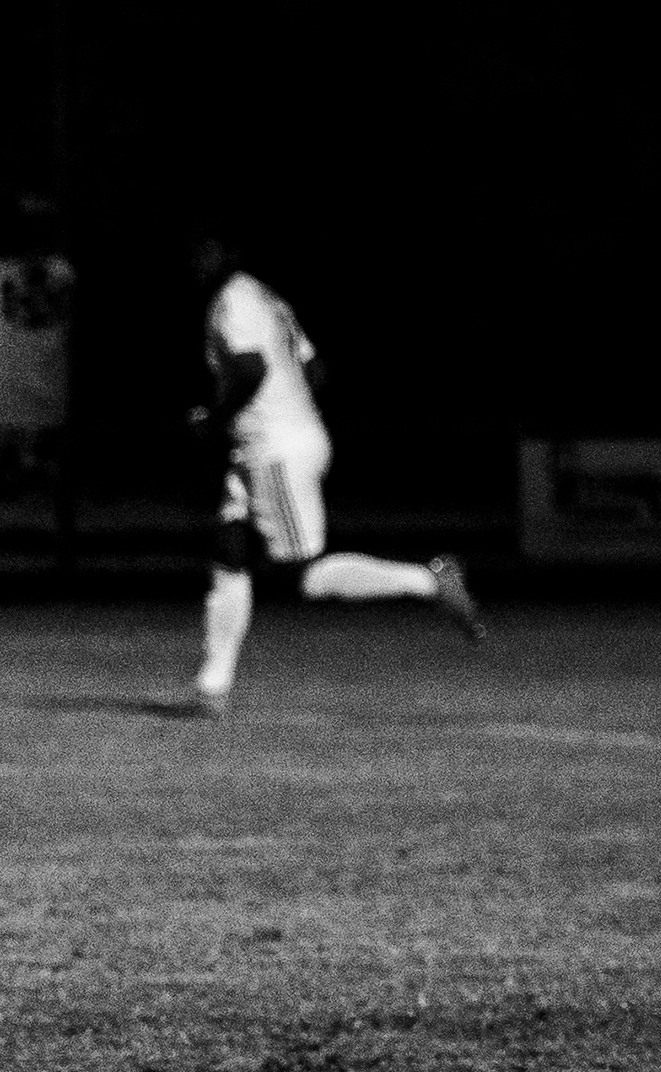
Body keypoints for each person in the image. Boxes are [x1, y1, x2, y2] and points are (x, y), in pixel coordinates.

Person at [184, 234, 485, 716]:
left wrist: (216, 419)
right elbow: (316, 369)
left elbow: (250, 367)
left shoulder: (233, 298)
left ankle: (429, 580)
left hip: (274, 451)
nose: (195, 259)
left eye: (206, 250)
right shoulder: (266, 297)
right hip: (270, 445)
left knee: (303, 575)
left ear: (230, 254)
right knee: (229, 550)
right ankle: (212, 686)